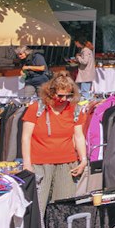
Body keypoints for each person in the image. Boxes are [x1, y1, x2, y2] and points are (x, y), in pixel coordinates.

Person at [21, 75, 88, 213]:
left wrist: (83, 160)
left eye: (68, 96)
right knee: (38, 207)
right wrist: (27, 163)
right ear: (51, 92)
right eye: (60, 95)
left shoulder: (75, 109)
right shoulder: (36, 108)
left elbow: (79, 136)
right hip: (39, 164)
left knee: (63, 207)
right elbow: (26, 137)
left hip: (67, 164)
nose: (64, 99)